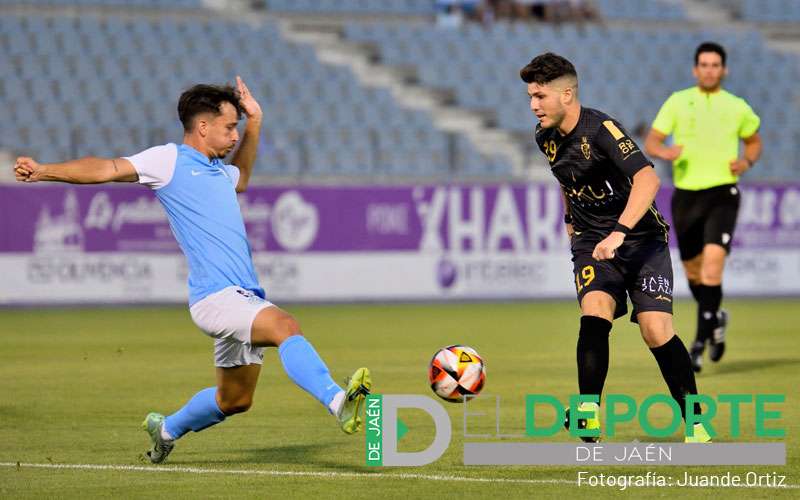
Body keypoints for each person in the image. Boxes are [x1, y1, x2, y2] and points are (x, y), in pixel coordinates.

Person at [13, 78, 372, 463]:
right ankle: (338, 402)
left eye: (236, 128)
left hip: (241, 296)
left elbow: (243, 178)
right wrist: (44, 170)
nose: (234, 136)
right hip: (215, 297)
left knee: (234, 400)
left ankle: (165, 430)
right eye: (229, 127)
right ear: (203, 127)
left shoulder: (219, 171)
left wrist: (255, 122)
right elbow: (107, 168)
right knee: (285, 327)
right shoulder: (168, 161)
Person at [520, 52, 709, 442]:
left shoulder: (602, 129)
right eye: (530, 97)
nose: (533, 105)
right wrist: (570, 222)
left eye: (540, 96)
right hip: (592, 242)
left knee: (657, 331)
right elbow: (565, 180)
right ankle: (588, 417)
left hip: (641, 241)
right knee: (595, 313)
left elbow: (647, 180)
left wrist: (620, 232)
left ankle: (694, 420)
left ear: (567, 94)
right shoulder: (545, 137)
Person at [645, 42, 762, 373]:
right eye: (704, 65)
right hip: (687, 195)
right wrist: (664, 152)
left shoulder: (737, 106)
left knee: (713, 267)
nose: (710, 70)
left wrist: (747, 160)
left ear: (723, 70)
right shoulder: (678, 102)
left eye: (715, 65)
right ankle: (716, 317)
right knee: (695, 273)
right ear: (696, 70)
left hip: (723, 192)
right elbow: (653, 141)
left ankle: (698, 344)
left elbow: (754, 140)